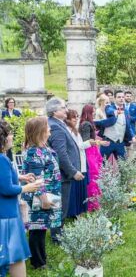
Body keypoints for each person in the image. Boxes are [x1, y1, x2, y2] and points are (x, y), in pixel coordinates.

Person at [0, 121, 41, 277]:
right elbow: (6, 188)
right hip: (6, 215)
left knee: (14, 256)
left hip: (5, 213)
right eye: (9, 133)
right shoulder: (1, 159)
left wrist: (20, 177)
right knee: (15, 256)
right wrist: (28, 187)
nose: (11, 137)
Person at [22, 117, 62, 269]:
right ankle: (38, 263)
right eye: (47, 127)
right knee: (37, 228)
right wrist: (44, 199)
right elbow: (36, 179)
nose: (50, 129)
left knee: (42, 227)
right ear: (40, 131)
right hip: (40, 196)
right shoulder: (34, 152)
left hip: (49, 193)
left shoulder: (42, 147)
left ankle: (41, 258)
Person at [46, 98, 82, 242]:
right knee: (60, 206)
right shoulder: (54, 126)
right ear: (55, 111)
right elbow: (60, 153)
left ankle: (58, 233)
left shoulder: (57, 123)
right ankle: (57, 237)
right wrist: (73, 171)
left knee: (62, 205)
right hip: (62, 174)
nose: (66, 110)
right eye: (63, 107)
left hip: (63, 174)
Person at [79, 104, 109, 211]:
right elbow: (87, 140)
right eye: (93, 111)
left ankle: (94, 201)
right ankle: (92, 203)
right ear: (89, 112)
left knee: (95, 174)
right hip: (89, 151)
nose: (95, 112)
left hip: (92, 150)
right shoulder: (86, 124)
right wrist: (99, 142)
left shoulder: (86, 123)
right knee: (93, 174)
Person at [65, 110, 90, 217]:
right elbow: (75, 146)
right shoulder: (67, 131)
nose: (76, 119)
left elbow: (79, 145)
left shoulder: (75, 130)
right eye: (73, 117)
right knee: (74, 191)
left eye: (76, 117)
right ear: (67, 119)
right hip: (75, 163)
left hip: (81, 161)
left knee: (81, 189)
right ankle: (74, 212)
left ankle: (81, 211)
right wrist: (89, 143)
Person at [97, 90, 133, 160]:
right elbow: (109, 111)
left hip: (120, 142)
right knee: (101, 164)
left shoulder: (126, 111)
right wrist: (115, 112)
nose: (121, 99)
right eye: (119, 97)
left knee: (123, 165)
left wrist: (131, 137)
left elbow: (127, 125)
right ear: (114, 98)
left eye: (122, 97)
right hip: (108, 141)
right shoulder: (109, 107)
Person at [124, 91, 136, 157]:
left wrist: (129, 117)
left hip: (131, 130)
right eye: (127, 96)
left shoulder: (135, 106)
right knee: (122, 148)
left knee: (130, 148)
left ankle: (130, 165)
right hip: (122, 129)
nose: (129, 97)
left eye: (130, 96)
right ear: (124, 96)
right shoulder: (121, 105)